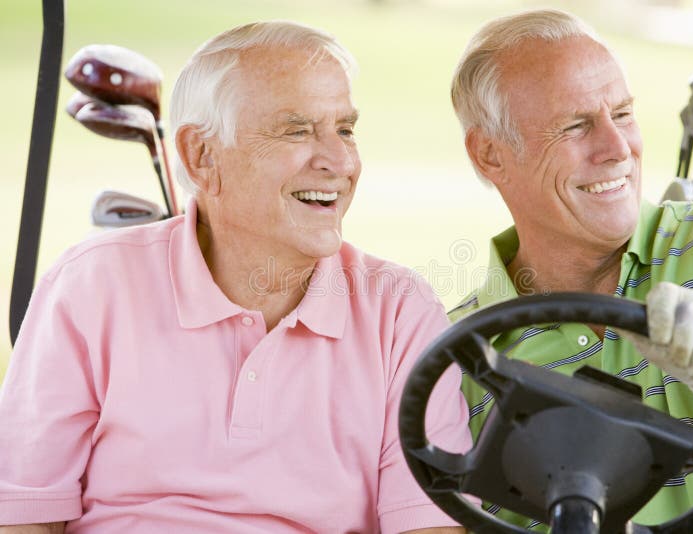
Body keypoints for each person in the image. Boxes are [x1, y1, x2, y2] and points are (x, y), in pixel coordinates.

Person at [0, 21, 471, 534]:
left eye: (345, 129)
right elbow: (25, 515)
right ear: (201, 156)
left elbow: (430, 528)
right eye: (298, 130)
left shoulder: (400, 310)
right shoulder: (87, 286)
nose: (340, 161)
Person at [448, 8, 693, 532]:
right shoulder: (460, 357)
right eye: (575, 126)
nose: (618, 149)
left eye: (624, 114)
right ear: (490, 155)